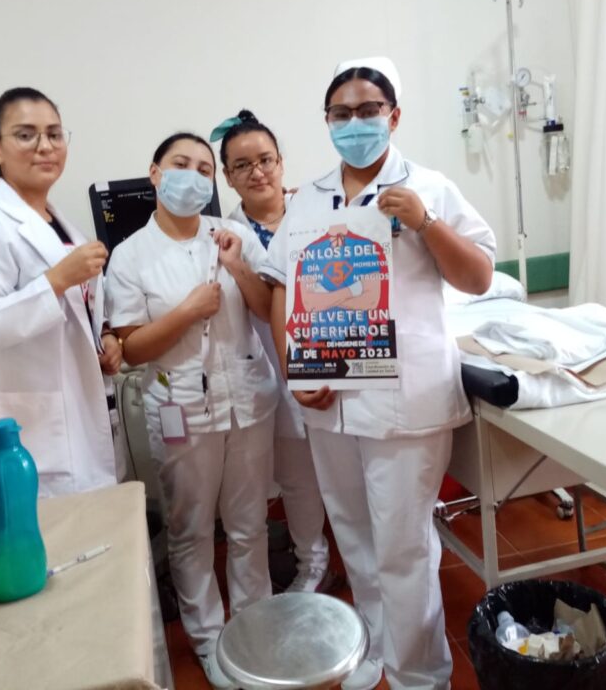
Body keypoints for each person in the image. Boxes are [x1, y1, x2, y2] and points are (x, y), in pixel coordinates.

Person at [262, 58, 496, 690]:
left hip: (405, 398)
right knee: (356, 538)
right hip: (327, 398)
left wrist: (424, 223)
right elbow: (283, 286)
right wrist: (296, 371)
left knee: (402, 546)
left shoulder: (429, 188)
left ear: (393, 117)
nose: (355, 123)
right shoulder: (309, 198)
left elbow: (478, 276)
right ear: (327, 121)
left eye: (369, 111)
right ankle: (375, 651)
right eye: (342, 114)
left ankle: (420, 675)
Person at [106, 132, 278, 690]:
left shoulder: (232, 235)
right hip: (180, 407)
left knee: (250, 524)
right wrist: (186, 311)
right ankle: (207, 637)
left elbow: (266, 310)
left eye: (205, 169)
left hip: (246, 400)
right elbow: (132, 348)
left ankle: (254, 627)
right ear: (155, 173)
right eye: (181, 164)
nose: (194, 176)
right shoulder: (130, 256)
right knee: (191, 529)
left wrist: (238, 266)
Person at [0, 87, 119, 498]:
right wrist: (55, 281)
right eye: (26, 135)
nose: (45, 146)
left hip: (85, 417)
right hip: (42, 437)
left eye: (55, 134)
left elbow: (77, 313)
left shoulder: (62, 225)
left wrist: (106, 338)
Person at [211, 109, 333, 593]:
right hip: (270, 371)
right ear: (228, 177)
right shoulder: (224, 234)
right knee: (298, 480)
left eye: (265, 160)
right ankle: (313, 565)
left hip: (334, 360)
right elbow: (263, 310)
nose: (257, 172)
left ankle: (362, 562)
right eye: (242, 165)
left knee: (350, 473)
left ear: (281, 162)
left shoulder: (318, 212)